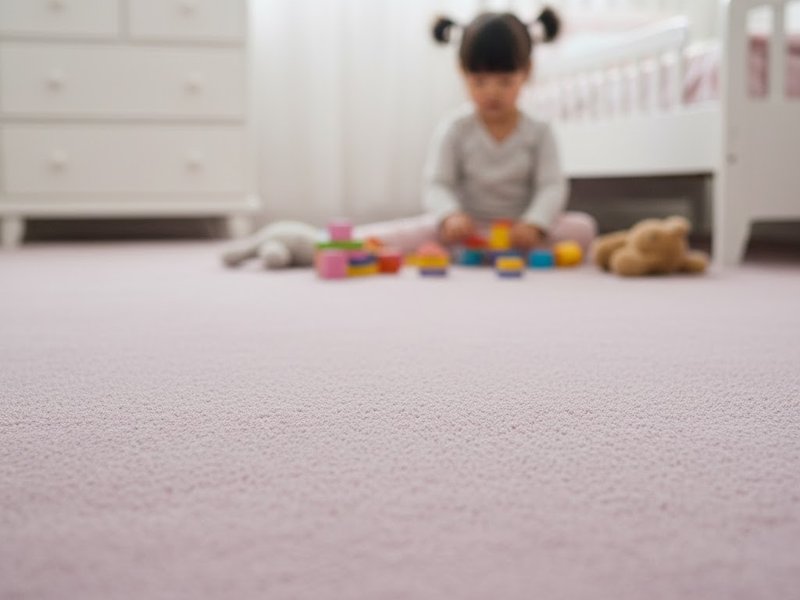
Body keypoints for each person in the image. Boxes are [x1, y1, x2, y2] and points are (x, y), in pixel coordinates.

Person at [356, 7, 596, 255]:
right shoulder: (455, 128)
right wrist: (450, 215)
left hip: (519, 229)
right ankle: (333, 242)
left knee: (582, 228)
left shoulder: (539, 131)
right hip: (466, 229)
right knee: (401, 234)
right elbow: (438, 184)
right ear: (462, 73)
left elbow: (551, 186)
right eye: (479, 81)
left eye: (504, 82)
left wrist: (535, 222)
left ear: (526, 73)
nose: (492, 92)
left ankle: (509, 246)